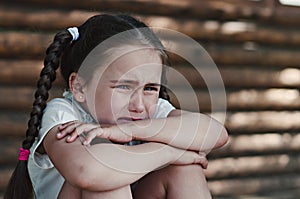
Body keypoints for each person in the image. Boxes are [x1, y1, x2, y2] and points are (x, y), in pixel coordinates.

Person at [4, 14, 228, 199]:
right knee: (106, 170)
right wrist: (170, 151)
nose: (139, 104)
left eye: (150, 87)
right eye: (123, 86)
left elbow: (216, 134)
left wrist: (129, 131)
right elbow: (86, 172)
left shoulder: (148, 111)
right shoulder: (63, 113)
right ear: (80, 87)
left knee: (185, 169)